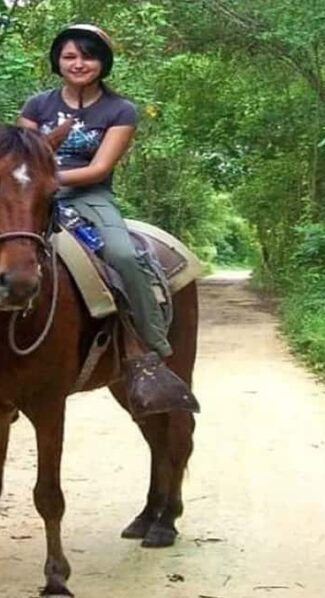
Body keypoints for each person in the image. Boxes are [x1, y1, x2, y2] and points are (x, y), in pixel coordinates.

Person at [17, 24, 198, 417]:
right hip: (29, 196)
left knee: (123, 255)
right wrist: (27, 183)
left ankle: (148, 347)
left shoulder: (119, 110)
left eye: (88, 56)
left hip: (89, 197)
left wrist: (45, 178)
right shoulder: (37, 105)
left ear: (102, 62)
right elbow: (19, 155)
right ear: (57, 61)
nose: (78, 63)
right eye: (69, 56)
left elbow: (99, 168)